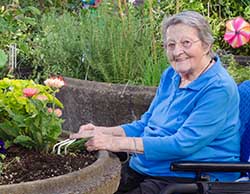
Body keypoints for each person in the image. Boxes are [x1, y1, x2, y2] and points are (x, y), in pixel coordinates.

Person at [70, 11, 241, 194]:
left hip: (188, 175)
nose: (177, 52)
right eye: (171, 45)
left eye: (186, 43)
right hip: (148, 166)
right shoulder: (171, 75)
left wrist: (115, 143)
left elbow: (183, 144)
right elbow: (146, 123)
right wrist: (101, 131)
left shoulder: (218, 88)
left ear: (206, 45)